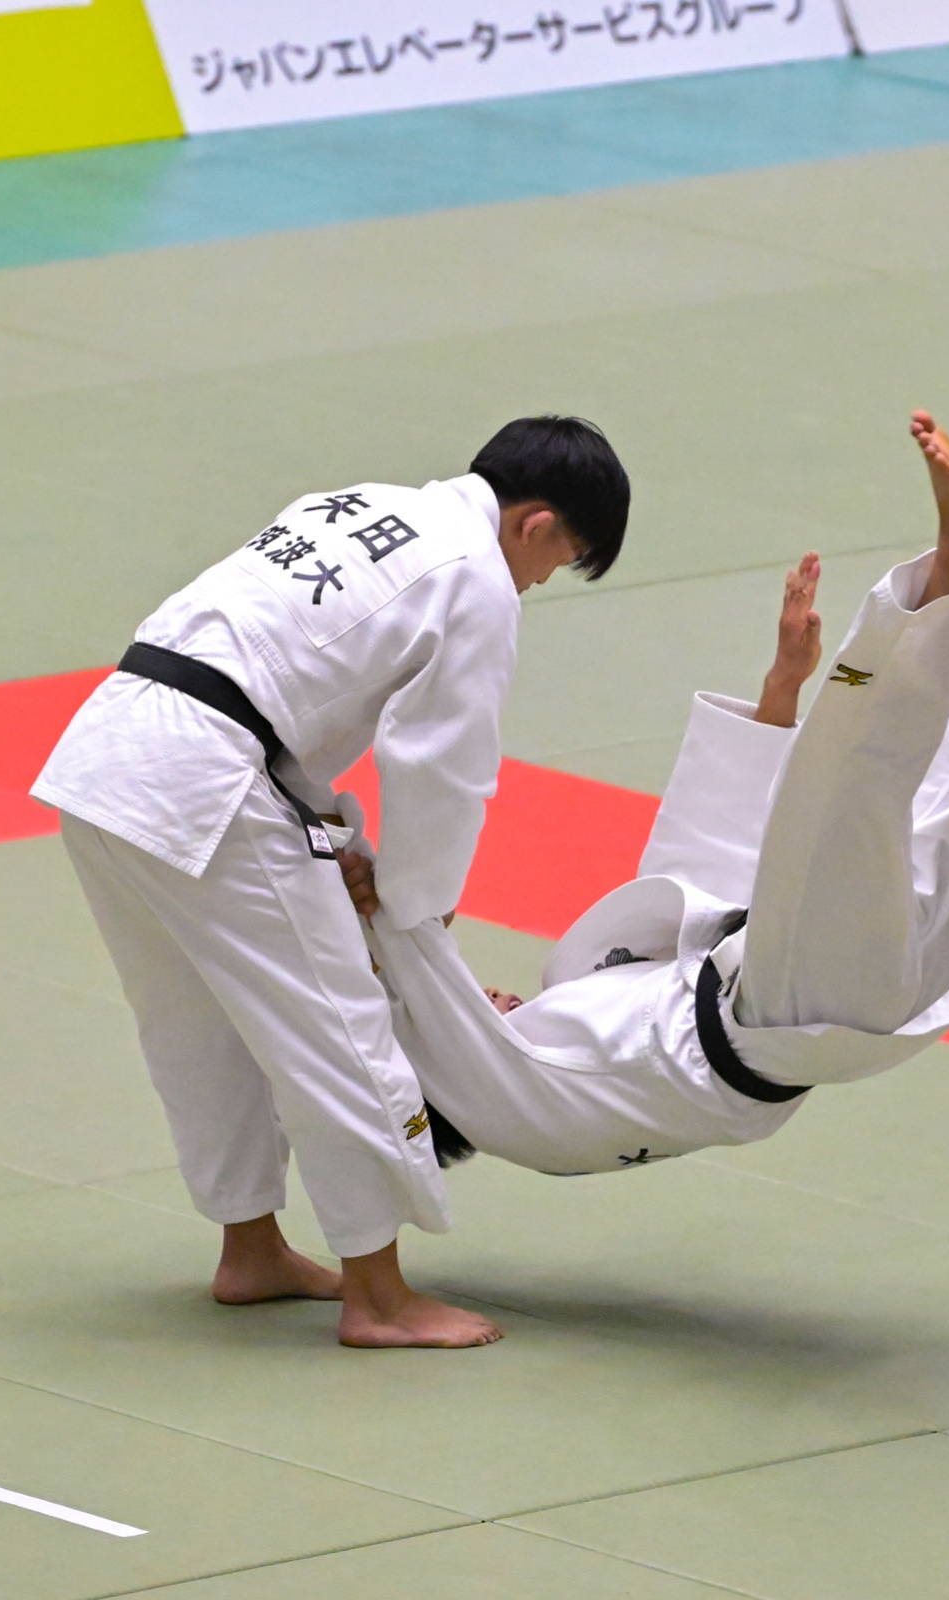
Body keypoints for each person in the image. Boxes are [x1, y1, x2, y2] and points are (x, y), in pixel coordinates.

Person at [347, 393, 949, 1177]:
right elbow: (424, 999)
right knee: (847, 771)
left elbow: (698, 867)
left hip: (827, 992)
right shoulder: (501, 1106)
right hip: (790, 1004)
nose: (490, 997)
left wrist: (779, 691)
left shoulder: (568, 1005)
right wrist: (373, 911)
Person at [33, 418, 630, 1347]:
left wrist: (335, 842)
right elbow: (443, 764)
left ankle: (251, 1251)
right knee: (342, 1032)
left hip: (108, 754)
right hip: (209, 779)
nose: (538, 581)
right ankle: (379, 1298)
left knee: (197, 1024)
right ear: (537, 524)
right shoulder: (475, 575)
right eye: (557, 562)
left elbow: (274, 679)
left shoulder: (357, 505)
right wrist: (413, 903)